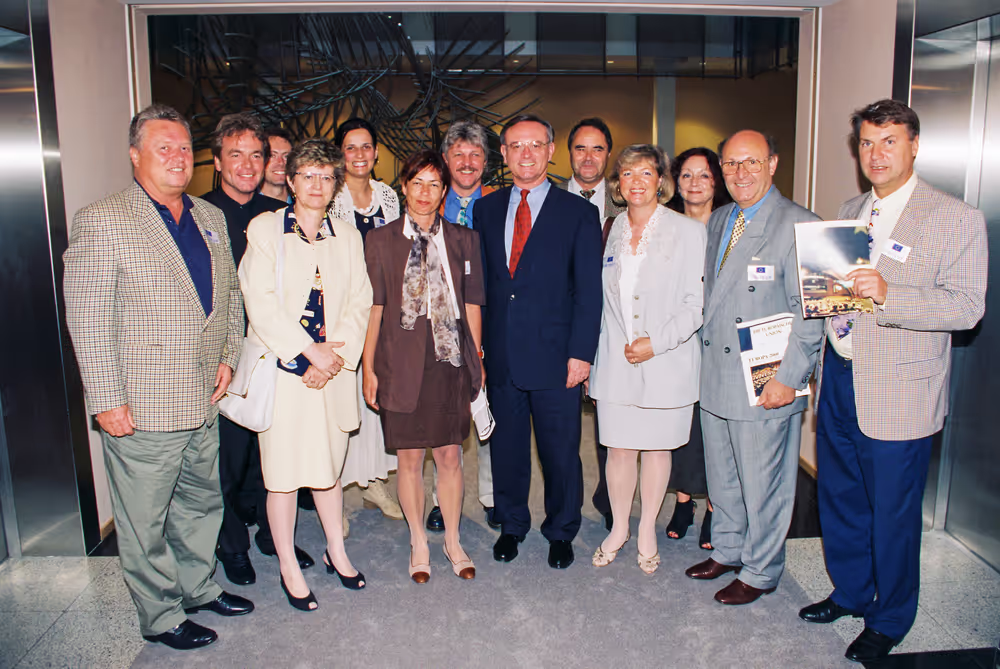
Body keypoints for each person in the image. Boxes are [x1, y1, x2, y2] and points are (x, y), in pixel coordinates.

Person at [798, 100, 988, 663]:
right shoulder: (849, 210)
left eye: (889, 142)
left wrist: (889, 293)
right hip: (839, 376)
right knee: (840, 498)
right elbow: (836, 297)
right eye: (867, 143)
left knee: (893, 515)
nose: (876, 154)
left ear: (914, 146)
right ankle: (852, 592)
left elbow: (967, 307)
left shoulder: (954, 217)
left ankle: (891, 618)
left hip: (900, 389)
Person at [64, 104, 253, 650]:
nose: (176, 157)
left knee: (201, 504)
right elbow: (88, 316)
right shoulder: (104, 219)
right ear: (134, 155)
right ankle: (161, 614)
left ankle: (197, 587)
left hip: (203, 396)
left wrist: (228, 354)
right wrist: (106, 398)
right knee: (144, 520)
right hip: (142, 403)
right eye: (162, 147)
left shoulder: (208, 216)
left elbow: (228, 297)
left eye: (183, 147)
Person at [685, 130, 824, 605]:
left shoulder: (803, 225)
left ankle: (762, 569)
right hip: (717, 374)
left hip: (767, 379)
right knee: (723, 475)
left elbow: (812, 315)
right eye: (730, 163)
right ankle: (728, 548)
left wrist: (790, 378)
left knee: (765, 483)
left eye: (751, 162)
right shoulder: (720, 219)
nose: (740, 173)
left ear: (773, 164)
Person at [240, 138, 373, 611]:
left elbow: (360, 300)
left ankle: (337, 550)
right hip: (285, 372)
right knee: (282, 476)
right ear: (291, 181)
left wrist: (333, 360)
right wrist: (307, 353)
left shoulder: (347, 235)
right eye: (307, 175)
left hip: (331, 372)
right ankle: (288, 566)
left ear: (336, 185)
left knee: (327, 470)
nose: (317, 184)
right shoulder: (266, 228)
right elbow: (259, 301)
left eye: (326, 176)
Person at [474, 113, 602, 569]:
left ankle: (561, 529)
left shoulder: (579, 213)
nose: (525, 154)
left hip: (557, 357)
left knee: (560, 451)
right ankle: (512, 524)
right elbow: (482, 289)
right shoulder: (486, 210)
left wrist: (581, 354)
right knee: (506, 448)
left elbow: (588, 292)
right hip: (502, 355)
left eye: (534, 145)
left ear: (550, 151)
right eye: (515, 146)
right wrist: (479, 352)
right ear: (503, 154)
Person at [362, 149, 485, 583]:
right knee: (410, 458)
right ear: (404, 187)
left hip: (449, 361)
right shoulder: (380, 241)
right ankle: (418, 540)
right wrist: (368, 368)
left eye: (434, 184)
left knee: (450, 455)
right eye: (417, 183)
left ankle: (452, 539)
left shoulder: (464, 239)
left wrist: (477, 361)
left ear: (444, 190)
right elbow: (375, 308)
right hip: (399, 362)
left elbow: (472, 304)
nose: (425, 192)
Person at [201, 113, 313, 585]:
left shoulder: (279, 215)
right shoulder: (199, 213)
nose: (247, 165)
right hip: (225, 357)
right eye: (236, 155)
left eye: (256, 155)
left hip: (275, 351)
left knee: (274, 455)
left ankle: (273, 534)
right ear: (217, 161)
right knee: (227, 460)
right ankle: (232, 545)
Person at [588, 145, 706, 574]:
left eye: (645, 173)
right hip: (615, 359)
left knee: (657, 450)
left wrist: (656, 343)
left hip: (667, 359)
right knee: (618, 450)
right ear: (617, 184)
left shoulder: (687, 231)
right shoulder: (613, 228)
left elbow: (696, 304)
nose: (635, 181)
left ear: (660, 180)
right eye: (627, 173)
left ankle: (647, 530)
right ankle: (619, 527)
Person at [425, 119, 498, 533]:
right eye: (458, 154)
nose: (467, 162)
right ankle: (443, 499)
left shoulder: (502, 205)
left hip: (493, 323)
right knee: (444, 417)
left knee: (489, 414)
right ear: (445, 159)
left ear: (485, 161)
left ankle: (491, 496)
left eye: (475, 154)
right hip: (440, 327)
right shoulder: (428, 204)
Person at [330, 117, 404, 522]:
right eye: (350, 147)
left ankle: (374, 482)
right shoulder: (329, 195)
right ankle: (334, 493)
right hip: (343, 311)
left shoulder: (388, 196)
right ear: (340, 153)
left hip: (383, 310)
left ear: (376, 153)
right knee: (342, 402)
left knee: (374, 401)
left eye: (366, 146)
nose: (359, 154)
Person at [558, 117, 626, 532]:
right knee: (563, 425)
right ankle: (566, 505)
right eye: (580, 148)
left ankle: (609, 498)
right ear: (568, 153)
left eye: (597, 149)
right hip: (562, 328)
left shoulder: (626, 202)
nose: (588, 157)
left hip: (614, 327)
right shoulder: (548, 199)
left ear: (608, 155)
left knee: (610, 422)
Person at [662, 146, 732, 550]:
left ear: (716, 181)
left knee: (715, 424)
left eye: (703, 175)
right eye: (686, 175)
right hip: (676, 336)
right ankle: (684, 501)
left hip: (719, 338)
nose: (694, 183)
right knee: (682, 421)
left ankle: (715, 509)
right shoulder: (665, 224)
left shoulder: (729, 225)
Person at [260, 127, 294, 203]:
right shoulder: (245, 206)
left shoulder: (303, 206)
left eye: (286, 156)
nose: (280, 162)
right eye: (272, 155)